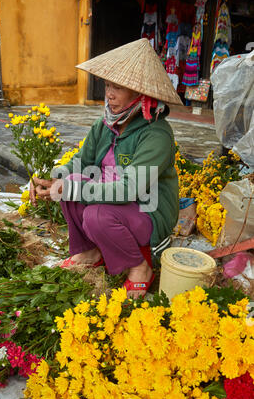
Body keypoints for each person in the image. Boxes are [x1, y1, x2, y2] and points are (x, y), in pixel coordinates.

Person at [30, 38, 182, 298]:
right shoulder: (105, 125)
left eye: (119, 88)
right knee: (74, 180)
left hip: (149, 211)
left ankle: (140, 268)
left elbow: (128, 189)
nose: (109, 94)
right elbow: (82, 161)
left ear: (140, 94)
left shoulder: (156, 134)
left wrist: (72, 187)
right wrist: (53, 178)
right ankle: (90, 251)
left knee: (95, 213)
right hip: (116, 206)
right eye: (108, 85)